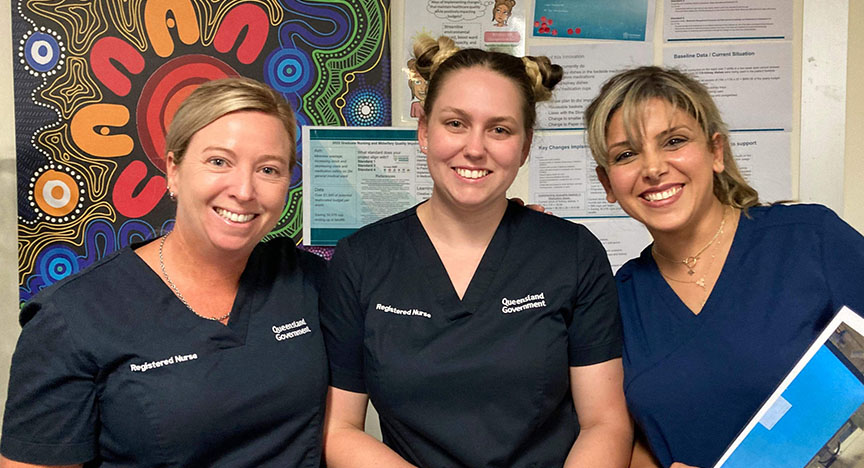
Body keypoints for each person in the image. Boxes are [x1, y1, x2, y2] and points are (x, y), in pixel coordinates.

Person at [321, 35, 632, 467]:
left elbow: (605, 422)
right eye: (455, 123)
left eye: (499, 129)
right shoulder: (361, 260)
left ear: (524, 148)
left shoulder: (572, 253)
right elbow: (340, 430)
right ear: (424, 132)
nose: (474, 147)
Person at [0, 77, 328, 467]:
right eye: (219, 161)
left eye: (269, 169)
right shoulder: (73, 317)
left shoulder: (308, 281)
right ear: (174, 169)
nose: (244, 190)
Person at [584, 66, 864, 468]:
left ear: (716, 151)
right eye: (626, 154)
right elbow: (631, 436)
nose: (653, 168)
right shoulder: (617, 299)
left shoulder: (809, 239)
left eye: (674, 141)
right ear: (607, 183)